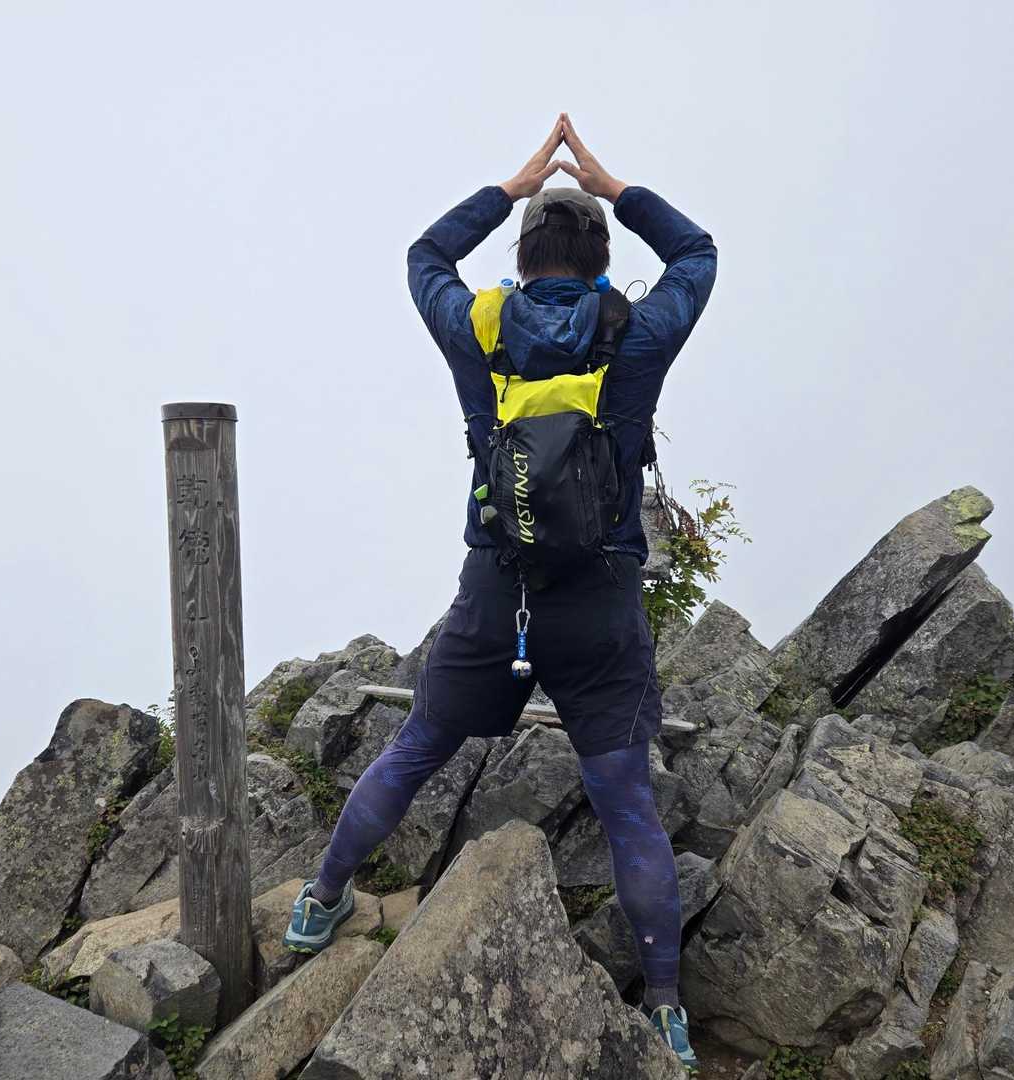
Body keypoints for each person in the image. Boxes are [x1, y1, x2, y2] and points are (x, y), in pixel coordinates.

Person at [283, 113, 716, 1073]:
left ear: (520, 259)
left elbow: (424, 256)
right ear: (602, 258)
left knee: (416, 748)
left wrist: (509, 189)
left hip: (496, 594)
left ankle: (320, 901)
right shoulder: (636, 333)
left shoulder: (478, 328)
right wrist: (613, 188)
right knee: (626, 804)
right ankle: (666, 1011)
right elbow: (697, 254)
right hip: (602, 600)